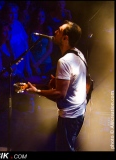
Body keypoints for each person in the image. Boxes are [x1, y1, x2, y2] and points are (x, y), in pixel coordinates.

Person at [26, 20, 87, 151]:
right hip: (78, 113)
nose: (55, 32)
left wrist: (36, 91)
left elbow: (60, 94)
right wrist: (59, 82)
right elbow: (74, 82)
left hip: (70, 116)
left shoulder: (64, 61)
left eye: (59, 31)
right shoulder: (78, 53)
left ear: (65, 38)